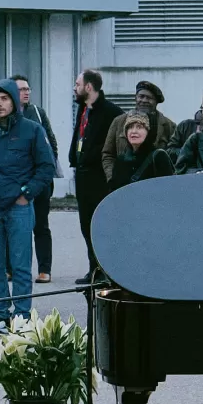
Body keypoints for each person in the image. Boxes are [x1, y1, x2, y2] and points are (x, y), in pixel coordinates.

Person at [0, 80, 56, 333]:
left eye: (4, 99)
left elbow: (46, 167)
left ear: (15, 101)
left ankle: (22, 317)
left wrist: (27, 194)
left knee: (20, 264)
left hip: (19, 207)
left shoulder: (32, 130)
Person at [69, 70, 122, 274]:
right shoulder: (83, 110)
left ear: (88, 87)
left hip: (99, 179)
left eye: (78, 84)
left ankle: (104, 271)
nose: (75, 88)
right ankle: (93, 270)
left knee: (100, 227)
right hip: (82, 176)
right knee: (86, 227)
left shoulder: (111, 113)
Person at [11, 75, 58, 283]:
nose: (27, 92)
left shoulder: (38, 112)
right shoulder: (5, 115)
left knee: (40, 224)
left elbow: (52, 143)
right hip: (15, 180)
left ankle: (44, 269)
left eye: (28, 88)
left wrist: (46, 171)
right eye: (22, 89)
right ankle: (12, 269)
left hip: (39, 180)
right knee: (13, 226)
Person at [101, 82, 177, 178]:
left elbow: (174, 157)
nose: (144, 100)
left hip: (156, 183)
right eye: (141, 96)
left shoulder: (169, 126)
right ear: (136, 98)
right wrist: (113, 178)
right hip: (124, 184)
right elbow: (108, 154)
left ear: (156, 102)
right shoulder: (119, 122)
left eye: (149, 98)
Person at [108, 114, 175, 188]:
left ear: (148, 132)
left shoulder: (158, 156)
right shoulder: (121, 160)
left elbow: (168, 189)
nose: (134, 131)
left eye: (139, 127)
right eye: (130, 127)